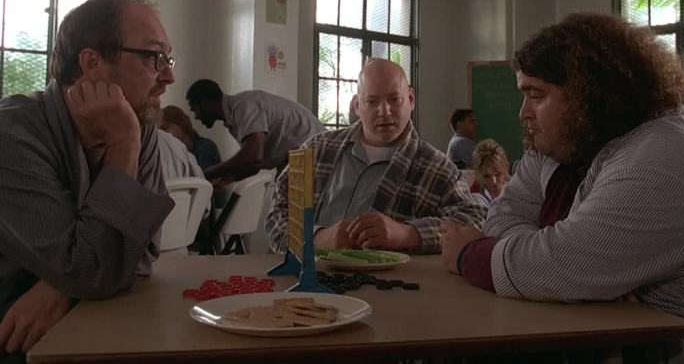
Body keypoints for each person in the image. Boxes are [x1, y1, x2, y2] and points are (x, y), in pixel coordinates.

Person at [440, 13, 684, 362]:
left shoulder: (664, 155)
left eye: (536, 95)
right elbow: (505, 219)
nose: (523, 113)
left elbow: (557, 265)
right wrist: (577, 275)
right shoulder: (564, 146)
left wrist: (468, 253)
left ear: (588, 95)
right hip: (640, 337)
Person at [0, 0, 176, 364]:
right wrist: (123, 147)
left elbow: (142, 253)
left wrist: (60, 288)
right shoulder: (0, 139)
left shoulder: (137, 127)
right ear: (92, 63)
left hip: (79, 321)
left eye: (168, 59)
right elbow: (98, 271)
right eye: (154, 57)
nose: (168, 76)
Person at [266, 58, 488, 254]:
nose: (384, 111)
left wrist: (408, 234)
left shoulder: (436, 168)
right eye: (372, 102)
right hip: (311, 282)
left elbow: (476, 221)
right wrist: (318, 238)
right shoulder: (316, 150)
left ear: (411, 100)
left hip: (391, 286)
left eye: (394, 99)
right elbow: (277, 216)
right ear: (357, 106)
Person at [185, 79, 326, 182]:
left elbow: (253, 155)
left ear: (206, 103)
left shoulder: (242, 106)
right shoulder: (235, 114)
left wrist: (206, 174)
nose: (196, 116)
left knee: (291, 209)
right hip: (305, 156)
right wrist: (227, 179)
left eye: (194, 109)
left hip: (316, 156)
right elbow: (254, 165)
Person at [160, 104, 221, 174]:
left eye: (165, 128)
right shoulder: (175, 154)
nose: (163, 134)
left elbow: (204, 177)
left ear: (181, 124)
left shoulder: (205, 147)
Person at [470, 138, 510, 207]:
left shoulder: (515, 189)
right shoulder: (476, 198)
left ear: (505, 170)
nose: (493, 182)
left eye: (497, 174)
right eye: (487, 176)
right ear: (479, 176)